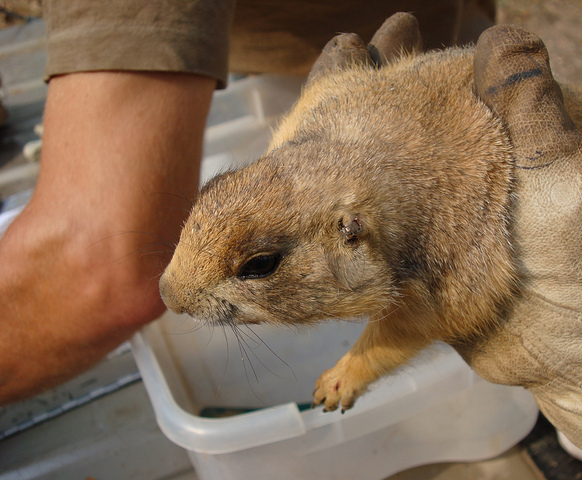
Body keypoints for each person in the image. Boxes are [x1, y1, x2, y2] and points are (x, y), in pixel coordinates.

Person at [0, 0, 495, 405]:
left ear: (350, 233)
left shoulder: (378, 240)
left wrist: (356, 368)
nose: (174, 297)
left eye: (258, 265)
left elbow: (95, 270)